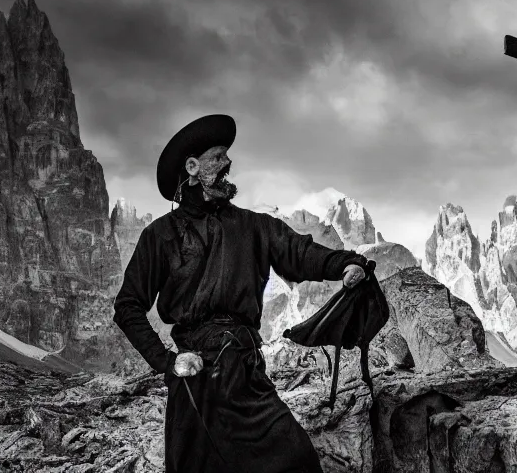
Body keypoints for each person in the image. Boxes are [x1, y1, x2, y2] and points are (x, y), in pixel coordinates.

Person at [113, 114, 371, 472]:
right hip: (195, 380)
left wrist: (346, 264)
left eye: (226, 158)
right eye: (218, 158)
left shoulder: (253, 226)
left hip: (247, 372)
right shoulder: (161, 236)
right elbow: (127, 307)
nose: (228, 164)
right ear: (192, 167)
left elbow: (300, 252)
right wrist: (167, 361)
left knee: (296, 461)